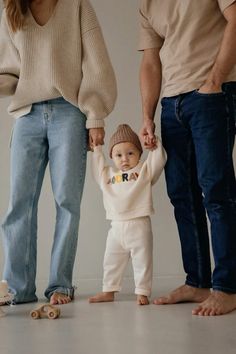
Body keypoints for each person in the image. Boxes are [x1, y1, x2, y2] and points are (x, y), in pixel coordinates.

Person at [0, 0, 116, 305]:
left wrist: (95, 117)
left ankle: (60, 284)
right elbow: (11, 73)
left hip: (69, 111)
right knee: (18, 205)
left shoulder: (77, 6)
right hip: (27, 114)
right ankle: (17, 289)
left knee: (67, 201)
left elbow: (96, 63)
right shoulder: (12, 11)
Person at [138, 0, 236, 316]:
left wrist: (215, 80)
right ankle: (198, 282)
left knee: (217, 193)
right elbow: (151, 62)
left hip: (212, 95)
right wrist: (147, 116)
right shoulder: (147, 4)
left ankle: (228, 287)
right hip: (171, 104)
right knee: (182, 195)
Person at [88, 124, 166, 305]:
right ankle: (108, 290)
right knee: (111, 260)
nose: (124, 159)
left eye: (130, 153)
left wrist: (154, 145)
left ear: (139, 154)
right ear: (112, 157)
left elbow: (158, 160)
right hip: (116, 226)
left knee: (142, 261)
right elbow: (97, 167)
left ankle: (142, 292)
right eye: (118, 155)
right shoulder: (107, 174)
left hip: (139, 224)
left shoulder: (144, 171)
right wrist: (97, 149)